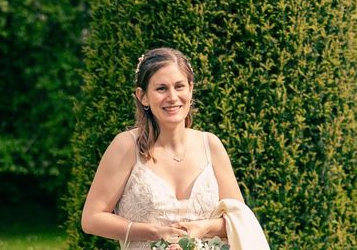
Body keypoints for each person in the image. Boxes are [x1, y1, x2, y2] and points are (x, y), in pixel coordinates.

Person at [82, 47, 265, 250]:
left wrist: (203, 228)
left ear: (190, 89)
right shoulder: (125, 146)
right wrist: (154, 233)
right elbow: (92, 219)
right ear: (142, 96)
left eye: (179, 86)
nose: (172, 97)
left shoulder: (210, 145)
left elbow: (239, 219)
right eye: (161, 89)